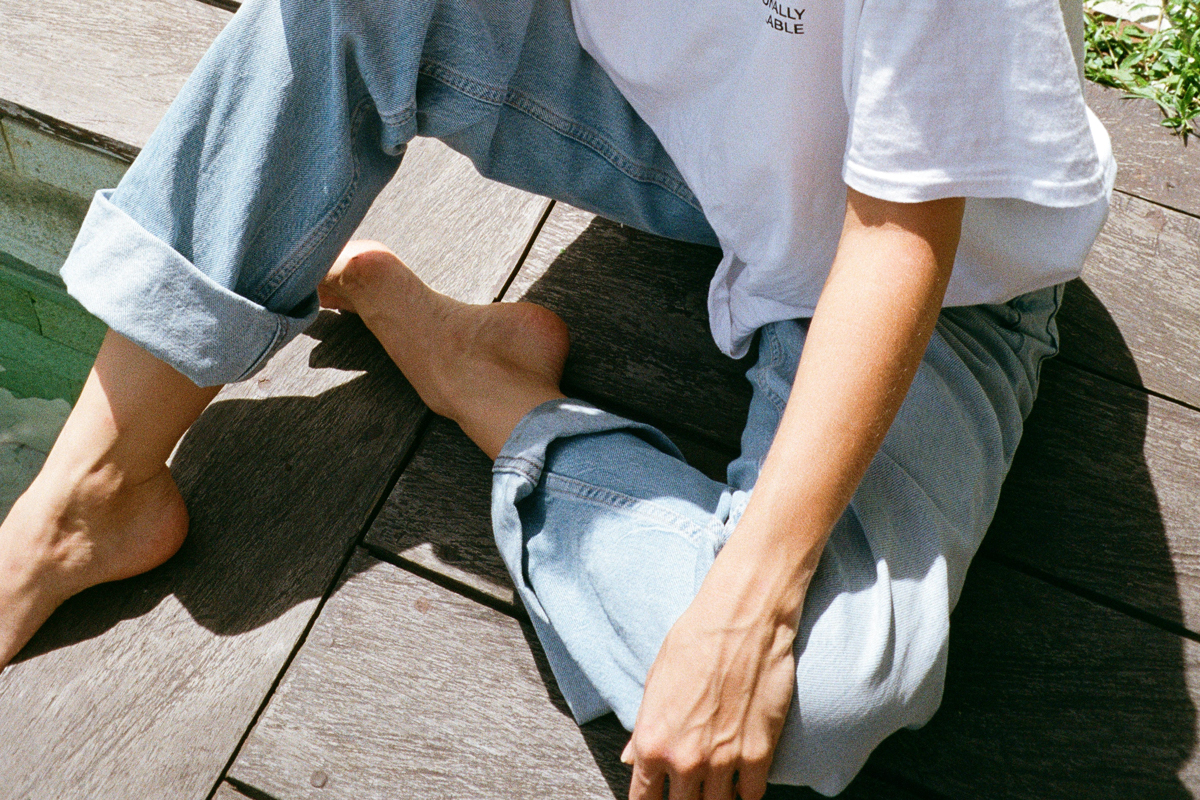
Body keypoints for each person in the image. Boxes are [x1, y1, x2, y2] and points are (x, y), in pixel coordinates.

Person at [0, 0, 1114, 796]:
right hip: (696, 139)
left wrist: (746, 609)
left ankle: (492, 388)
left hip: (941, 263)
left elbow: (899, 239)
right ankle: (91, 495)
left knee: (812, 700)